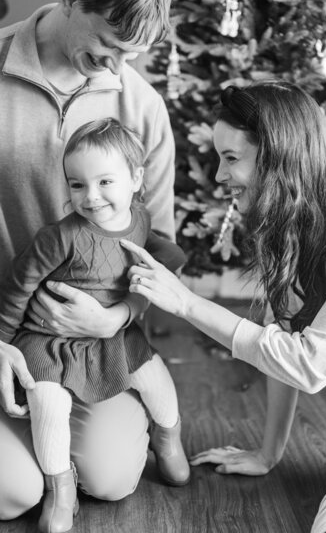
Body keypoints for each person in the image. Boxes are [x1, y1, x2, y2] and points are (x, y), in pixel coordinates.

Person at [123, 80, 326, 533]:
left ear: (278, 156)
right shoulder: (293, 217)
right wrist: (268, 453)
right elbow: (282, 336)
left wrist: (188, 304)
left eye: (231, 158)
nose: (217, 175)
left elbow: (311, 364)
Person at [0, 0, 177, 522]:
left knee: (108, 480)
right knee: (14, 493)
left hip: (100, 346)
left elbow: (159, 251)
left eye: (134, 54)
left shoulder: (142, 107)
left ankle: (128, 431)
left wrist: (118, 317)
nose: (119, 70)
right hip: (6, 335)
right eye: (108, 46)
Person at [0, 118, 190, 532]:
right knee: (47, 403)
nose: (91, 197)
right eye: (77, 184)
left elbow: (158, 256)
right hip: (48, 340)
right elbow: (19, 286)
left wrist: (169, 266)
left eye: (105, 182)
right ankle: (60, 490)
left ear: (136, 178)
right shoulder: (59, 237)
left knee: (156, 380)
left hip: (112, 336)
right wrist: (2, 341)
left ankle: (168, 438)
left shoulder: (138, 219)